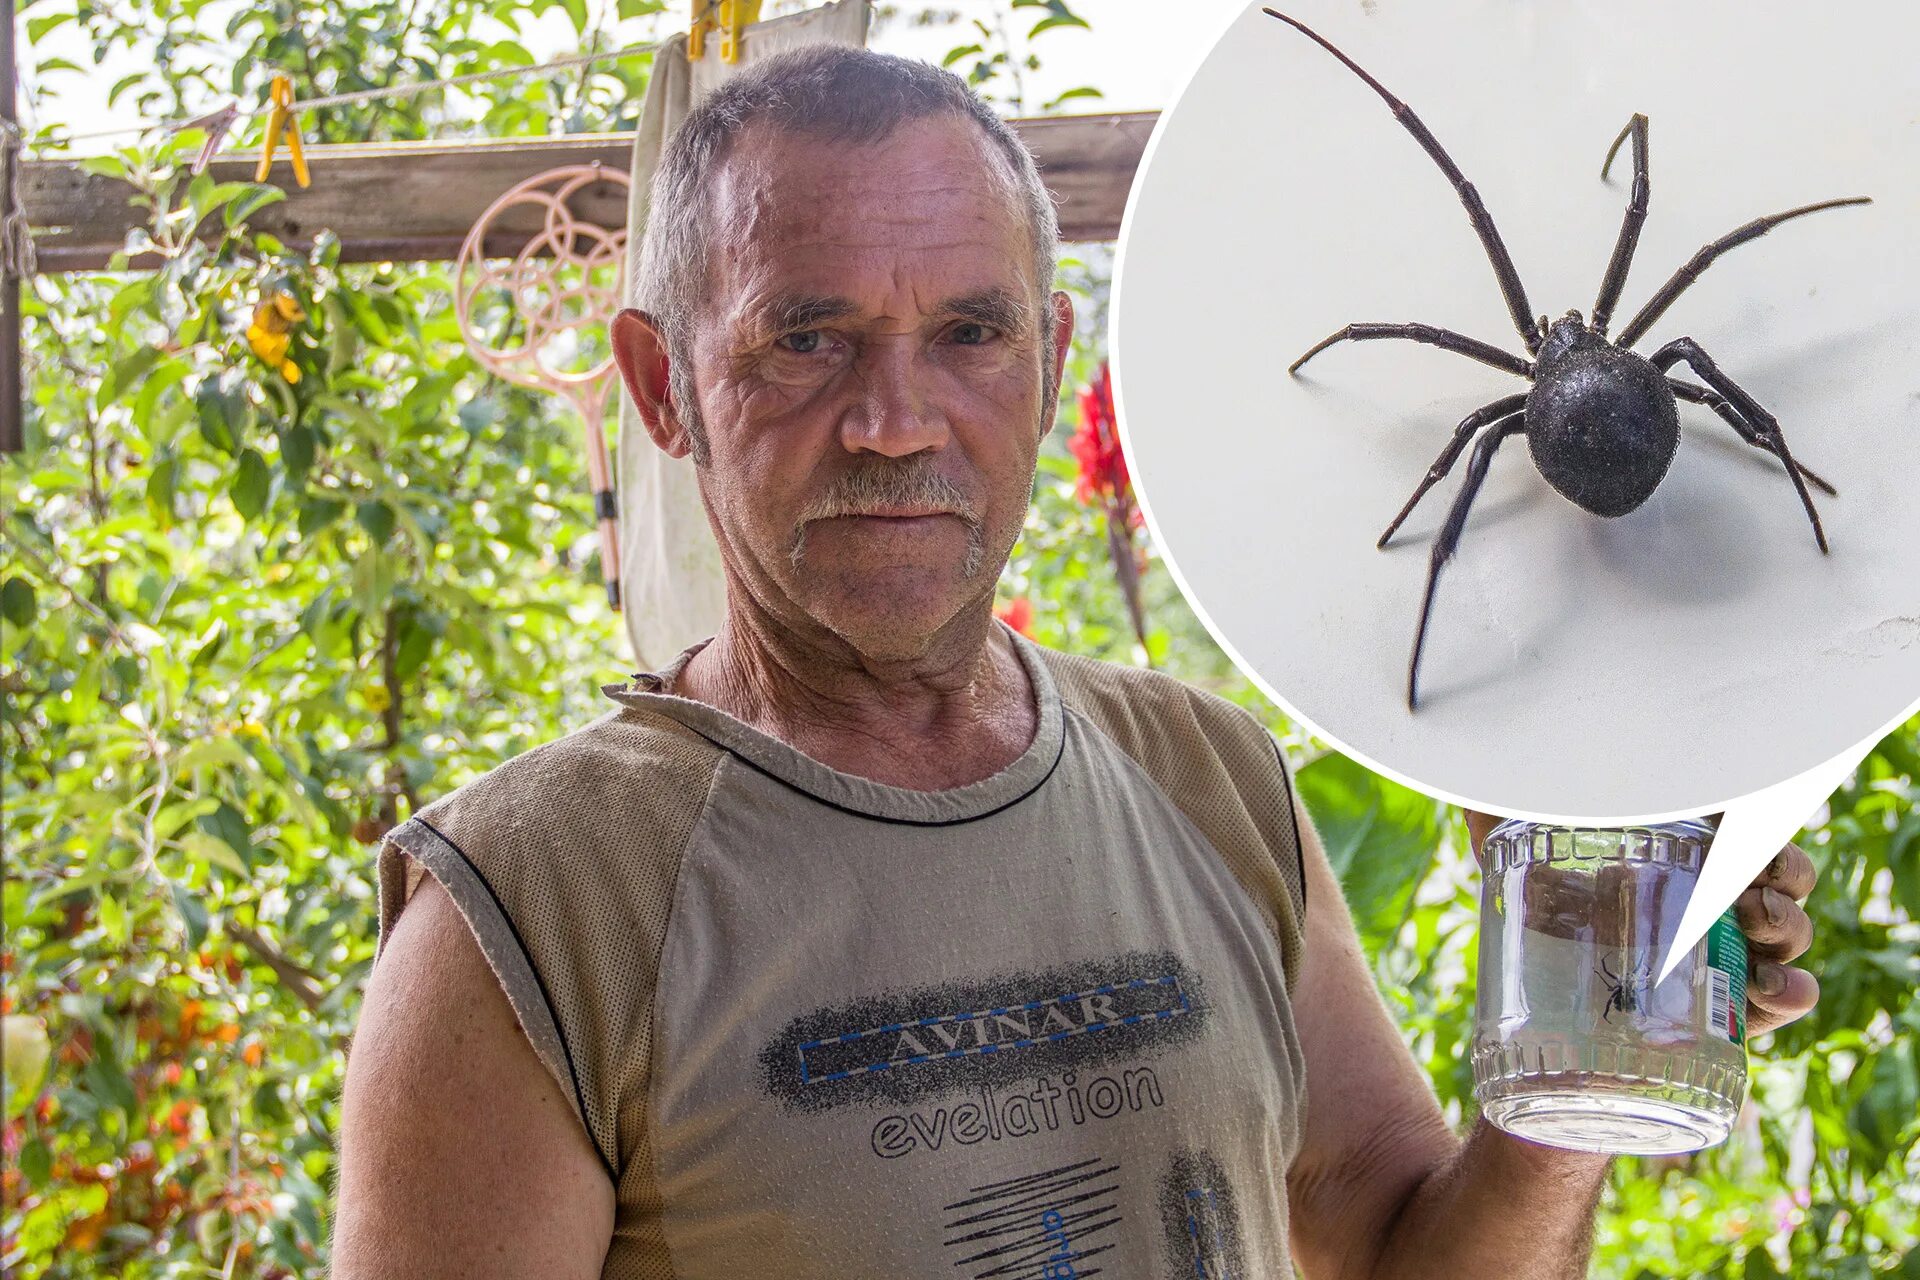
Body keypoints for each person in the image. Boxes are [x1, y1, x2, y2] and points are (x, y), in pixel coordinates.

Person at [330, 46, 1821, 1280]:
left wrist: (1590, 1019)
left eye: (970, 332)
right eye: (807, 339)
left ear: (1048, 364)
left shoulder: (1208, 776)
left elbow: (1401, 1258)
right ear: (666, 387)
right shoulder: (528, 916)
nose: (896, 420)